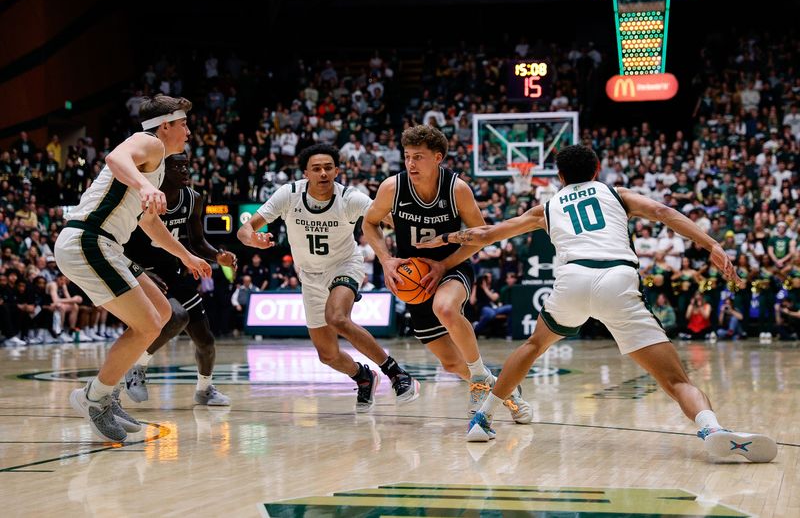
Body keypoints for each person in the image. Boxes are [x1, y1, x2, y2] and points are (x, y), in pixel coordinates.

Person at [418, 144, 776, 463]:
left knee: (533, 345)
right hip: (617, 279)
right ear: (597, 168)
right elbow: (664, 213)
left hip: (572, 280)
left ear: (559, 177)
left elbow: (484, 234)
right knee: (675, 379)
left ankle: (483, 417)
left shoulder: (546, 207)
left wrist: (443, 239)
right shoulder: (615, 193)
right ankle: (712, 430)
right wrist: (712, 245)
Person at [55, 94, 211, 442]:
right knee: (147, 324)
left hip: (106, 244)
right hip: (88, 240)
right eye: (183, 124)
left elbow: (150, 223)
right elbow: (114, 157)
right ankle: (94, 398)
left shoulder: (154, 168)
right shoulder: (148, 142)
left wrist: (186, 256)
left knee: (161, 313)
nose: (188, 130)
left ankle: (106, 395)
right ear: (165, 125)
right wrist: (142, 185)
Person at [362, 124, 531, 422]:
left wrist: (442, 264)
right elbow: (369, 223)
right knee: (452, 363)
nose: (411, 164)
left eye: (419, 157)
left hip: (452, 266)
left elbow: (482, 236)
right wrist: (387, 260)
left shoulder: (457, 189)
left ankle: (479, 378)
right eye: (407, 157)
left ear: (438, 157)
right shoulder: (393, 187)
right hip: (414, 276)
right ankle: (505, 392)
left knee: (446, 307)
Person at [238, 143, 420, 412]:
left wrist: (415, 230)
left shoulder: (349, 197)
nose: (323, 173)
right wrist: (253, 240)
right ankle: (363, 376)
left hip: (345, 265)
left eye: (327, 168)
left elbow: (389, 219)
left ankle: (397, 373)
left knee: (337, 318)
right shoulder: (288, 194)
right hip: (309, 276)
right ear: (306, 173)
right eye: (316, 169)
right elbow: (244, 230)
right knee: (327, 355)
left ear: (336, 170)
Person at [123, 154, 238, 407]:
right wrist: (137, 269)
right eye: (178, 166)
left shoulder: (193, 198)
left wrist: (218, 256)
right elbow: (119, 242)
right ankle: (136, 366)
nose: (185, 169)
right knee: (177, 316)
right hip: (141, 270)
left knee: (206, 340)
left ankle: (204, 390)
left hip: (173, 270)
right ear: (160, 169)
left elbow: (197, 241)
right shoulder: (142, 198)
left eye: (187, 164)